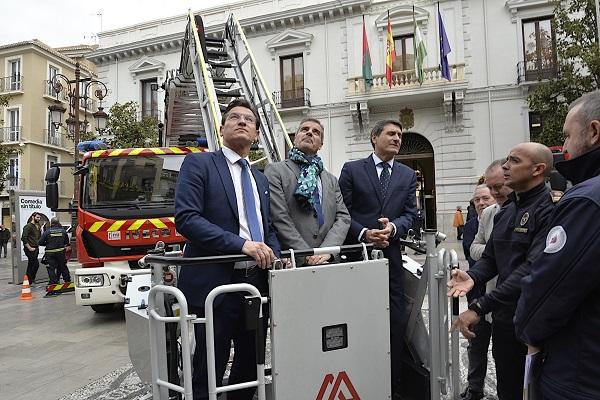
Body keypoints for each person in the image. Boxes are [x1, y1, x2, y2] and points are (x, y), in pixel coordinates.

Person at [175, 98, 280, 400]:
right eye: (234, 117)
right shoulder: (200, 164)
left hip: (256, 285)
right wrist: (241, 245)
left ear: (257, 134)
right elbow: (187, 218)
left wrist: (277, 257)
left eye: (249, 119)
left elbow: (268, 229)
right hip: (215, 285)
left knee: (250, 366)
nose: (242, 121)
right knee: (209, 367)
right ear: (221, 129)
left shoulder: (260, 179)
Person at [447, 142, 554, 400]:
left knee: (531, 390)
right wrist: (472, 277)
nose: (505, 166)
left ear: (538, 169)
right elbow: (491, 258)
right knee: (508, 387)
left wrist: (480, 306)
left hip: (532, 319)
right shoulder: (507, 212)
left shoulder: (548, 211)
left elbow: (530, 270)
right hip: (505, 319)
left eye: (514, 161)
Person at [514, 91, 600, 400]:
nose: (562, 148)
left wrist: (526, 331)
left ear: (593, 132)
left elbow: (548, 288)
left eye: (566, 136)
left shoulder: (585, 201)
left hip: (580, 373)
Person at [338, 119, 416, 398]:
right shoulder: (352, 170)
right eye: (391, 134)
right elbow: (342, 212)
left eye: (400, 135)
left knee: (393, 322)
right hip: (356, 258)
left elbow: (411, 214)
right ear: (374, 137)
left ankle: (391, 385)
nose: (397, 139)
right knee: (356, 320)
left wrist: (393, 228)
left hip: (391, 259)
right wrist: (364, 233)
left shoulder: (407, 175)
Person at [264, 118, 350, 264]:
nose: (310, 133)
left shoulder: (331, 180)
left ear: (321, 144)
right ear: (296, 137)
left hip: (327, 261)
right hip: (292, 261)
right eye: (305, 129)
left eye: (316, 132)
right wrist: (306, 254)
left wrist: (327, 250)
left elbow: (343, 217)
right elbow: (279, 216)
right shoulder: (275, 171)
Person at [460, 183, 496, 400]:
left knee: (505, 351)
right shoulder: (472, 225)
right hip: (477, 297)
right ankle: (474, 389)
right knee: (476, 347)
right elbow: (473, 255)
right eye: (477, 200)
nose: (481, 203)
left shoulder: (506, 219)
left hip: (502, 296)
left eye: (486, 198)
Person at [38, 218, 70, 295]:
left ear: (51, 223)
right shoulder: (63, 231)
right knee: (63, 266)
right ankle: (67, 281)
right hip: (60, 252)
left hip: (50, 253)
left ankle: (53, 283)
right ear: (58, 223)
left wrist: (48, 244)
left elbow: (40, 242)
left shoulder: (47, 232)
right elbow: (66, 242)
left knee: (51, 268)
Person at [22, 212, 42, 283]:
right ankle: (30, 280)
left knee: (32, 264)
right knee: (34, 264)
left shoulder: (37, 226)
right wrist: (29, 247)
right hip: (30, 249)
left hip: (35, 248)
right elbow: (24, 238)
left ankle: (29, 280)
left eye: (39, 218)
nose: (38, 219)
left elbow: (38, 237)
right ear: (33, 217)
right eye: (37, 217)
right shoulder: (28, 226)